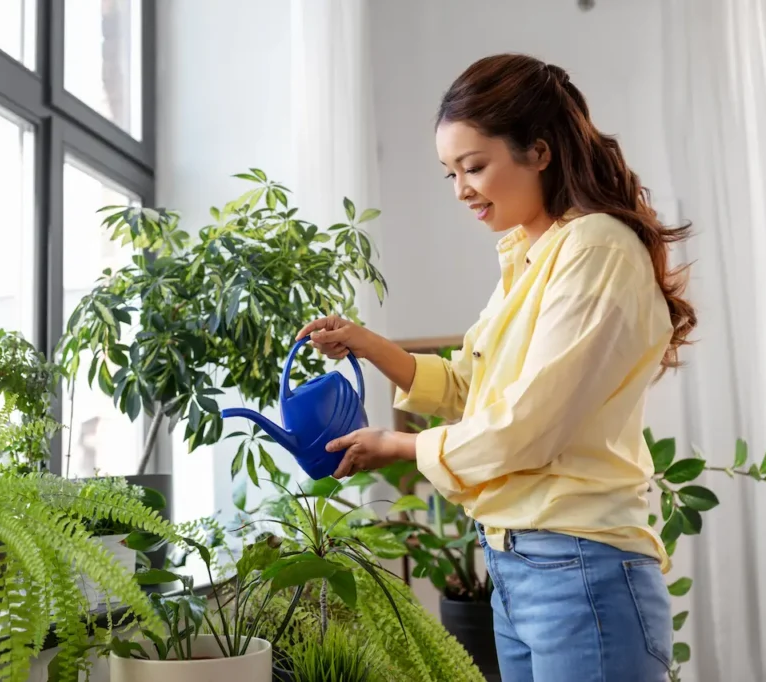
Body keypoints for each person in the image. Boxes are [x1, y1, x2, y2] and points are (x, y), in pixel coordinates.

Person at [296, 53, 696, 682]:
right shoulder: (529, 254)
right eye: (448, 174)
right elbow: (474, 390)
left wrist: (398, 445)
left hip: (580, 569)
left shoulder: (595, 247)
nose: (461, 191)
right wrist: (370, 343)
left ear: (539, 152)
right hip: (520, 565)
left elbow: (527, 424)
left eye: (474, 167)